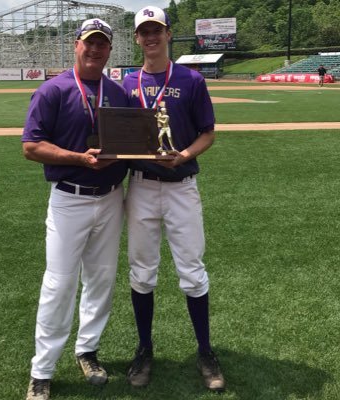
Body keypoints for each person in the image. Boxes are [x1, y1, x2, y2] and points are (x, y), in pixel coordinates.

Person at [22, 18, 128, 400]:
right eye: (90, 42)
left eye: (103, 44)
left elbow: (133, 144)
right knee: (60, 283)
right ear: (76, 44)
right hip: (69, 197)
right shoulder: (53, 90)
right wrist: (78, 158)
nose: (95, 49)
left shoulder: (118, 93)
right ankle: (42, 370)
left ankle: (88, 351)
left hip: (112, 196)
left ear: (109, 50)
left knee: (101, 280)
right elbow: (31, 147)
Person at [122, 6, 225, 392]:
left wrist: (183, 155)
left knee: (192, 272)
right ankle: (144, 348)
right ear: (137, 38)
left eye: (157, 30)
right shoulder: (126, 83)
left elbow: (208, 133)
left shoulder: (191, 80)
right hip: (143, 186)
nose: (150, 37)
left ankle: (205, 350)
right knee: (141, 271)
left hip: (182, 185)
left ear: (168, 34)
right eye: (144, 31)